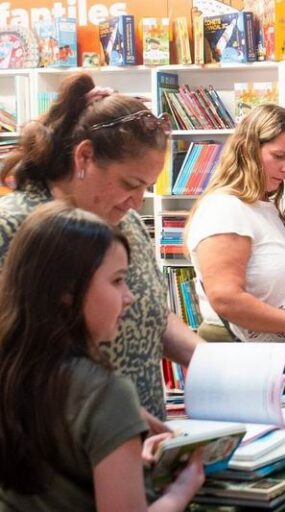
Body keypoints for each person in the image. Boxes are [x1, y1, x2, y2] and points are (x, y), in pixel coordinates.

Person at [0, 73, 203, 431]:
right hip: (56, 459)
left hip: (135, 449)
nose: (138, 201)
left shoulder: (126, 223)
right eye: (130, 183)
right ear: (85, 156)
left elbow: (150, 314)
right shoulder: (13, 227)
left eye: (147, 188)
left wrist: (225, 364)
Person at [0, 202, 204, 511]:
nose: (129, 297)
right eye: (117, 280)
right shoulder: (106, 393)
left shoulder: (13, 371)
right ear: (67, 291)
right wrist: (182, 490)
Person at [185, 104, 285, 385]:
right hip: (253, 367)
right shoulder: (225, 208)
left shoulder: (266, 207)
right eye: (279, 156)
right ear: (248, 149)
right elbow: (227, 299)